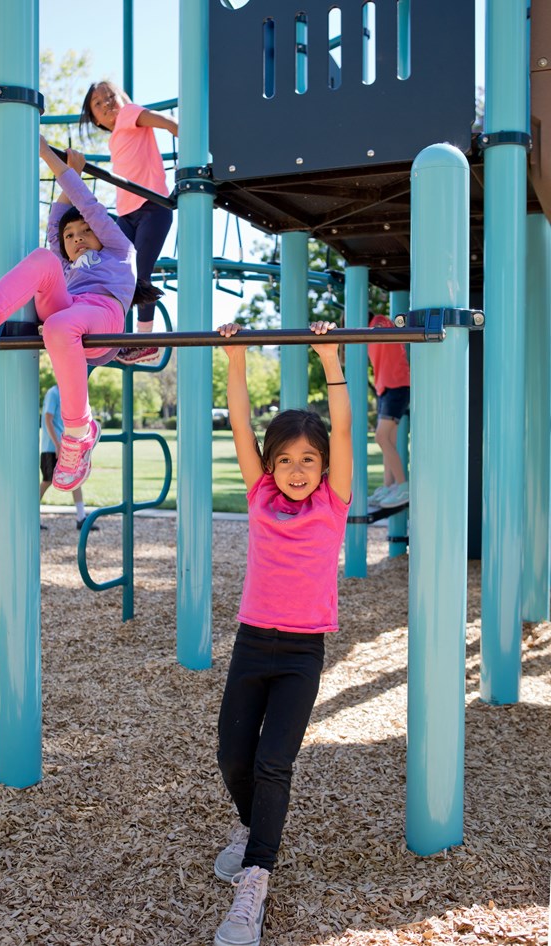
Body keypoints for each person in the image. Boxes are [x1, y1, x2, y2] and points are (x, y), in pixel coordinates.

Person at [212, 321, 353, 946]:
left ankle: (256, 880)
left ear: (324, 467)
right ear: (271, 465)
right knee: (233, 755)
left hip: (301, 651)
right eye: (286, 460)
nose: (296, 471)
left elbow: (344, 427)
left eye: (308, 460)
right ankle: (251, 829)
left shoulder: (334, 502)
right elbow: (240, 424)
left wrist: (332, 362)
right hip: (251, 642)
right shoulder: (260, 493)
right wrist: (236, 362)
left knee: (274, 762)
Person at [0, 136, 153, 492]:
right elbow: (55, 224)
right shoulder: (65, 263)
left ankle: (79, 431)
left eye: (85, 231)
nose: (76, 237)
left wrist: (51, 158)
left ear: (100, 232)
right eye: (70, 235)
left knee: (58, 326)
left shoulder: (119, 250)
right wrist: (69, 176)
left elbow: (86, 206)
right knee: (43, 261)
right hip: (69, 310)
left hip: (103, 313)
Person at [79, 80, 178, 366]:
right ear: (94, 118)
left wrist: (191, 147)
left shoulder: (130, 113)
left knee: (140, 273)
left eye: (110, 96)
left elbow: (170, 123)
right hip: (127, 214)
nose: (107, 103)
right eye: (98, 103)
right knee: (117, 274)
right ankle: (114, 332)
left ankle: (145, 341)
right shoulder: (115, 136)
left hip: (151, 207)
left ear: (123, 98)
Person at [39, 384, 99, 531]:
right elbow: (47, 419)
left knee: (75, 479)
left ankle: (81, 517)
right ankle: (30, 515)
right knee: (47, 481)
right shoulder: (53, 393)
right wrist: (57, 444)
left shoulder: (68, 391)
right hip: (52, 447)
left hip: (66, 445)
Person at [367, 311, 410, 508]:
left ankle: (403, 485)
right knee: (389, 439)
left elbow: (383, 325)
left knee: (381, 437)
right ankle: (389, 486)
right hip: (386, 386)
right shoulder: (370, 330)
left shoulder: (378, 321)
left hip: (397, 385)